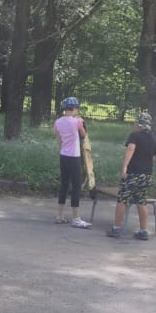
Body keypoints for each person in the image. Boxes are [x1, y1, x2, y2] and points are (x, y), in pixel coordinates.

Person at [107, 111, 156, 241]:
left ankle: (116, 228)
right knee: (141, 202)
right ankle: (143, 231)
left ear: (139, 124)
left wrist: (124, 167)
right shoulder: (152, 139)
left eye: (135, 122)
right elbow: (153, 158)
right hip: (146, 175)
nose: (134, 125)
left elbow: (130, 149)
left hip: (133, 173)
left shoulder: (134, 136)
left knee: (123, 200)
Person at [55, 96, 91, 228]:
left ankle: (60, 216)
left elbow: (59, 141)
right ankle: (76, 218)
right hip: (74, 157)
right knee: (76, 187)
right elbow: (83, 135)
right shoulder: (78, 122)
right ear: (75, 108)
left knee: (64, 185)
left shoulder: (57, 122)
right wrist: (81, 124)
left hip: (63, 156)